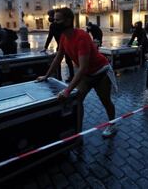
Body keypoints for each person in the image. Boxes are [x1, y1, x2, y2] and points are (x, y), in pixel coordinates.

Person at [36, 8, 117, 138]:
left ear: (68, 21)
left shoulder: (81, 37)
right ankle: (77, 132)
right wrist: (46, 76)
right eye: (54, 20)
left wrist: (67, 90)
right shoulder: (63, 36)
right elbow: (58, 57)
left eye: (57, 20)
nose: (54, 22)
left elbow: (83, 67)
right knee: (77, 100)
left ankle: (112, 124)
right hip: (86, 74)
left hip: (101, 71)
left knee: (105, 100)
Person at [42, 9, 75, 82]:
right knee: (58, 62)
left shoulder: (61, 27)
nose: (50, 17)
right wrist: (45, 47)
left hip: (66, 45)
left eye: (51, 16)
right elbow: (50, 36)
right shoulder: (53, 26)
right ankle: (58, 77)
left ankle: (72, 76)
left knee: (68, 61)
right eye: (49, 16)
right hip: (60, 45)